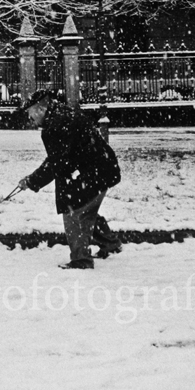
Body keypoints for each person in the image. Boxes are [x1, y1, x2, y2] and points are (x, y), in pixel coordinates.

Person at [16, 89, 122, 269]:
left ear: (41, 109)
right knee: (87, 210)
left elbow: (56, 164)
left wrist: (31, 181)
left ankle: (81, 260)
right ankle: (110, 243)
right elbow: (59, 158)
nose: (30, 118)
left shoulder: (55, 126)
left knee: (73, 212)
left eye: (31, 113)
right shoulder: (62, 115)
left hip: (91, 173)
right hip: (103, 169)